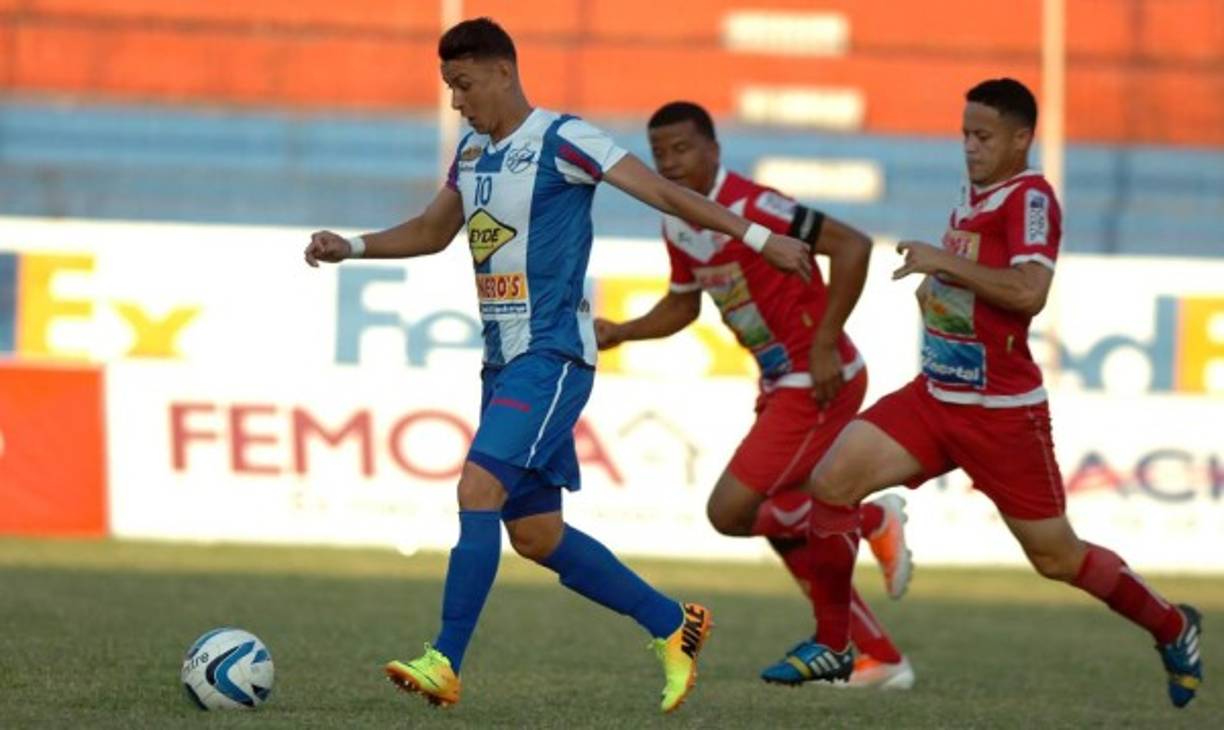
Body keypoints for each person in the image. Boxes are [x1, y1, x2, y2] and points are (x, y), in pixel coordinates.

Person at [303, 18, 817, 714]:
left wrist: (759, 235)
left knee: (477, 488)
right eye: (449, 88)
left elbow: (665, 194)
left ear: (504, 72)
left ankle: (444, 660)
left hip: (552, 356)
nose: (457, 101)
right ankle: (674, 624)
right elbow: (431, 231)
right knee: (537, 534)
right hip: (502, 363)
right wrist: (352, 247)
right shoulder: (473, 151)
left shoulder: (564, 139)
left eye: (464, 84)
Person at [769, 77, 1203, 709]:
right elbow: (976, 285)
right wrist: (939, 293)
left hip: (1000, 415)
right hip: (935, 396)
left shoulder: (1030, 199)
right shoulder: (977, 191)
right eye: (966, 133)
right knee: (830, 485)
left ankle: (1172, 625)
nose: (970, 146)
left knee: (1056, 558)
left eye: (984, 136)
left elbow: (1029, 292)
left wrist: (943, 266)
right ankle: (836, 643)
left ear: (1022, 138)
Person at [594, 101, 915, 689]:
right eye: (659, 152)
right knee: (786, 529)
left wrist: (823, 345)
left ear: (715, 150)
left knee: (730, 511)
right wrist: (624, 331)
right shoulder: (678, 220)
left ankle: (869, 517)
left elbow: (851, 246)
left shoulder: (754, 206)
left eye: (682, 148)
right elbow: (684, 303)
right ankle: (877, 656)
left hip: (818, 379)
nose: (669, 161)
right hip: (779, 383)